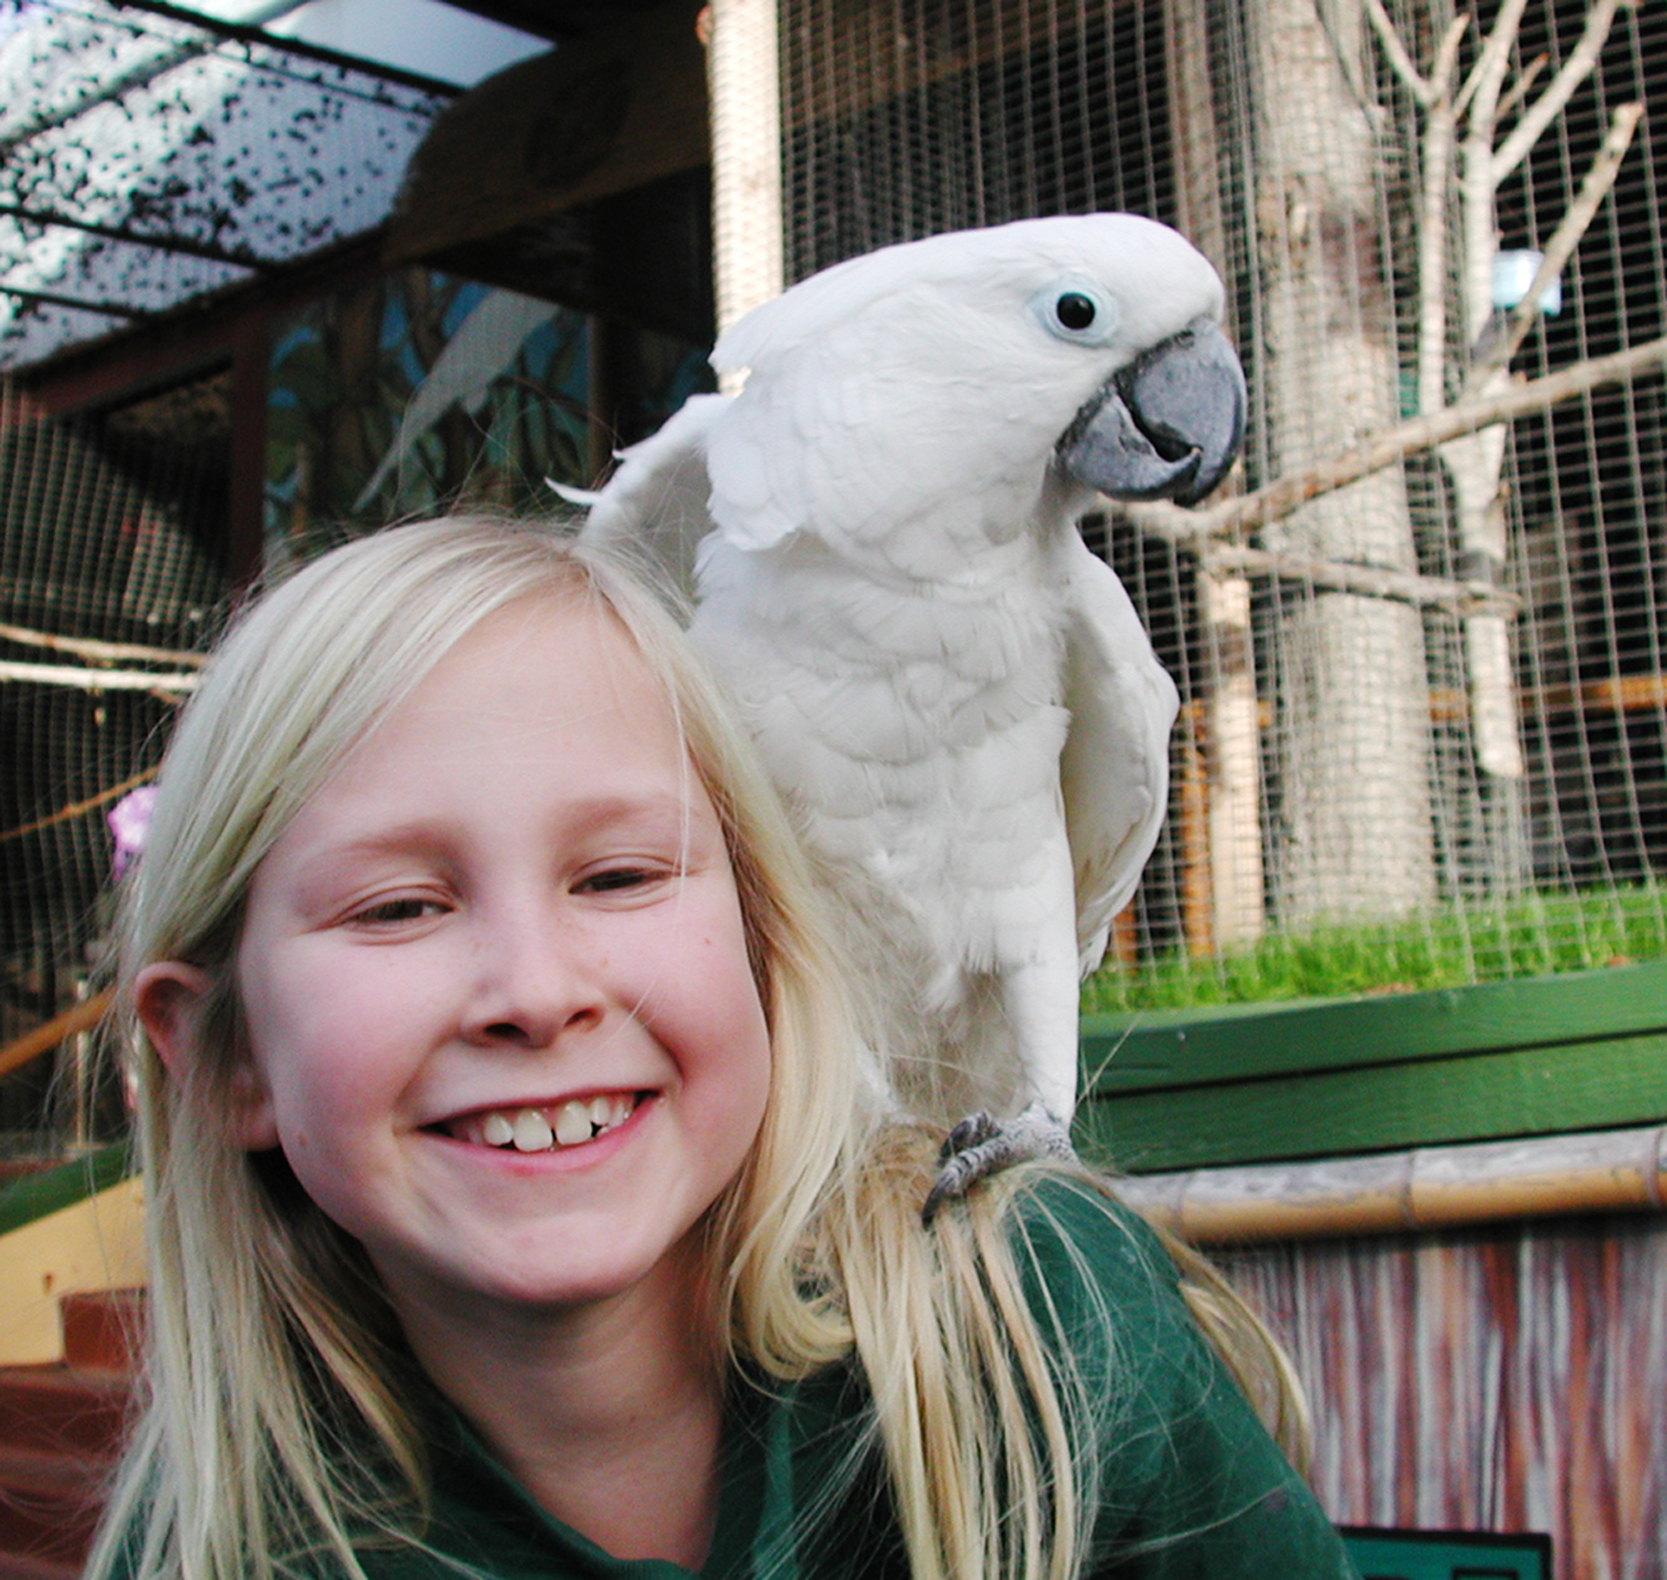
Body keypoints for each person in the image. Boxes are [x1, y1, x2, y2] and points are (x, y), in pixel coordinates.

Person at [89, 516, 1358, 1580]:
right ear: (224, 1057)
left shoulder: (1040, 1333)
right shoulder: (203, 1546)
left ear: (761, 935)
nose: (535, 993)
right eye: (399, 907)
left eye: (624, 873)